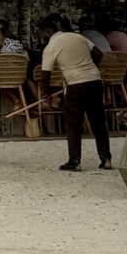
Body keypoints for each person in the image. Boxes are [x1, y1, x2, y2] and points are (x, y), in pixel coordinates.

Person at [39, 15, 112, 172]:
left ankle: (75, 161)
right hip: (95, 81)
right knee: (98, 122)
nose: (41, 37)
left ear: (47, 32)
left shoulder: (51, 47)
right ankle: (106, 159)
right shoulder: (78, 37)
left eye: (42, 34)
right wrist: (90, 69)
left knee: (73, 124)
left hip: (75, 85)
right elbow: (99, 54)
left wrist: (46, 93)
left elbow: (45, 75)